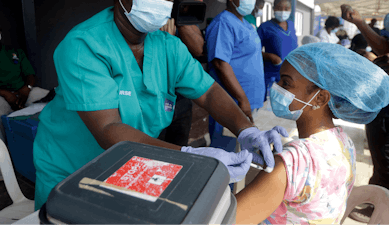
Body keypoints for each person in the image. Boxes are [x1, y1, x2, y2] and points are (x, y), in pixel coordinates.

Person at [32, 0, 287, 210]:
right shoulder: (84, 45)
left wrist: (246, 129)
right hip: (74, 172)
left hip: (133, 170)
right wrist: (188, 157)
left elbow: (209, 93)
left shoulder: (167, 46)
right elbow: (108, 128)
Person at [234, 43, 389, 224]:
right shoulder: (344, 142)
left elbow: (229, 220)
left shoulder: (292, 163)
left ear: (320, 98)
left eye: (286, 83)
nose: (277, 87)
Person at [342, 3, 389, 222]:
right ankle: (381, 204)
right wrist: (359, 23)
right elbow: (388, 52)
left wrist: (378, 64)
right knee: (386, 161)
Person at [205, 0, 265, 151]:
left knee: (241, 149)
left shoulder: (244, 22)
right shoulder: (223, 22)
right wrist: (242, 99)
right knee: (226, 151)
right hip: (232, 102)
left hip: (246, 101)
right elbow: (220, 63)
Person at [158, 17, 205, 146]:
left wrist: (182, 22)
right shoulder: (145, 20)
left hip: (181, 99)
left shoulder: (183, 18)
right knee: (154, 153)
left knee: (179, 149)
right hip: (155, 100)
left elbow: (199, 49)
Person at [0, 26, 49, 143]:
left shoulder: (14, 52)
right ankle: (7, 147)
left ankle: (51, 136)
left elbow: (30, 75)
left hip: (23, 91)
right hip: (2, 95)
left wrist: (27, 89)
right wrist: (5, 93)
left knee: (47, 97)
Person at [257, 0, 298, 101]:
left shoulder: (291, 25)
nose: (283, 11)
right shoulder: (265, 27)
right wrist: (271, 57)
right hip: (272, 74)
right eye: (279, 8)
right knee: (268, 106)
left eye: (286, 9)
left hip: (290, 72)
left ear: (290, 10)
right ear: (273, 9)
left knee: (287, 104)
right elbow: (254, 51)